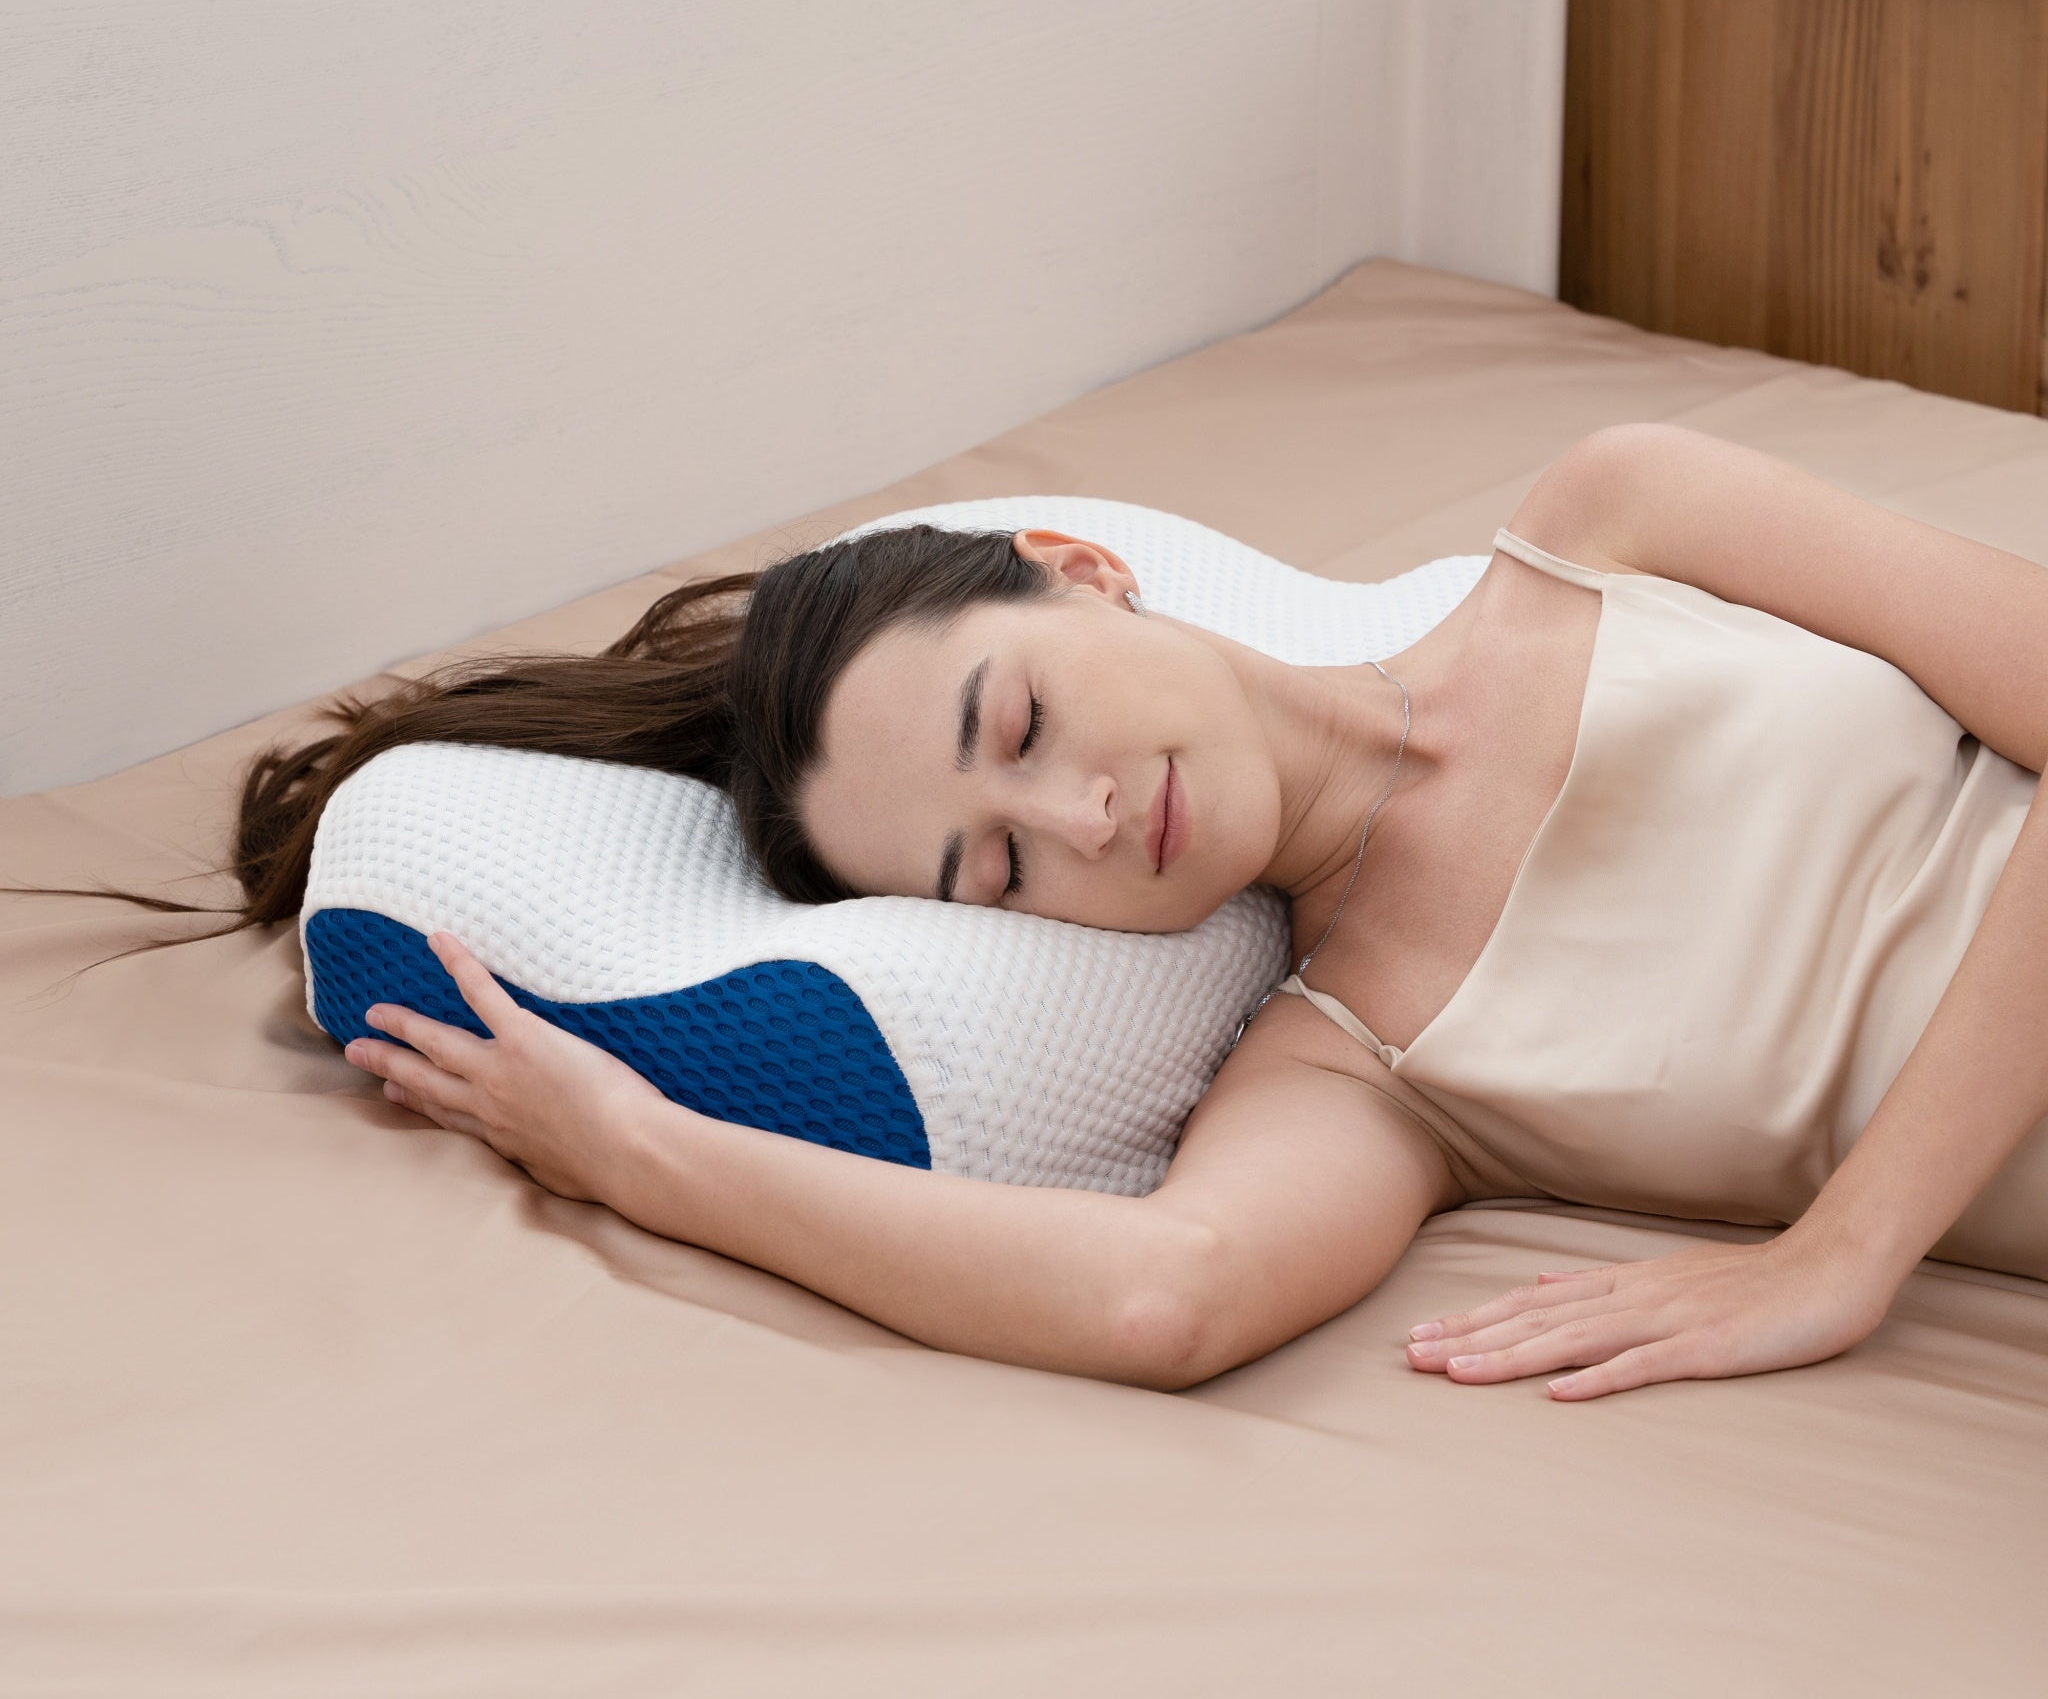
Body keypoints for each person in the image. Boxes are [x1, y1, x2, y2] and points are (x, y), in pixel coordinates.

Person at [39, 423, 2048, 1399]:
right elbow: (1153, 1297)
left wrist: (1846, 1245)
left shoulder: (1616, 519)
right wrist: (630, 1146)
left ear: (1077, 571)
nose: (1086, 818)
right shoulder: (1356, 1069)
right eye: (998, 869)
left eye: (1019, 722)